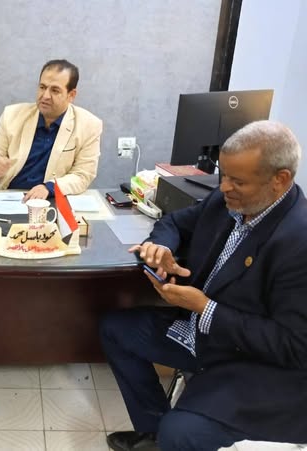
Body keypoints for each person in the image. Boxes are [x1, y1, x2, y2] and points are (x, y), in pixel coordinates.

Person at [100, 120, 307, 451]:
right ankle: (152, 434)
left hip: (250, 361)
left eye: (237, 181)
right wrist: (161, 247)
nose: (224, 187)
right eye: (224, 175)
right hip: (198, 331)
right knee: (116, 329)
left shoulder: (298, 242)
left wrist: (204, 307)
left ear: (280, 180)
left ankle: (168, 434)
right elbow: (173, 222)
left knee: (182, 432)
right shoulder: (229, 200)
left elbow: (293, 345)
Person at [0, 59, 102, 202]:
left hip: (49, 200)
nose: (45, 96)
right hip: (5, 196)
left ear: (71, 95)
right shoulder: (12, 115)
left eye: (55, 90)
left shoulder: (89, 125)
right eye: (42, 87)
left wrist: (49, 187)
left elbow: (83, 175)